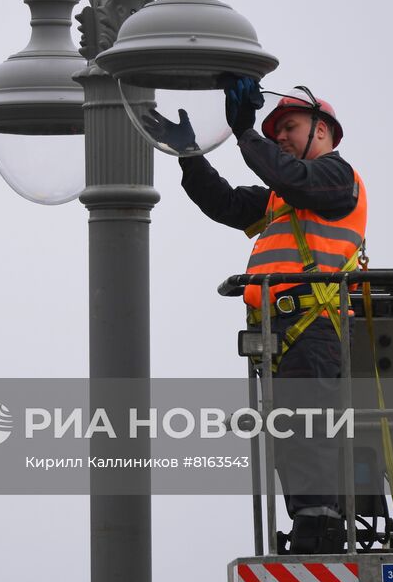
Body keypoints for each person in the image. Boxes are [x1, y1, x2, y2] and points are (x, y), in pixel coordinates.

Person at [142, 78, 366, 555]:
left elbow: (287, 176)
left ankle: (319, 529)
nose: (280, 137)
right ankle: (311, 523)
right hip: (282, 333)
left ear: (322, 131)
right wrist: (190, 154)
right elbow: (222, 202)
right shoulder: (281, 199)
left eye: (289, 127)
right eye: (275, 131)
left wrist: (246, 133)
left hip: (315, 325)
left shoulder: (336, 178)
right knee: (292, 432)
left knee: (307, 427)